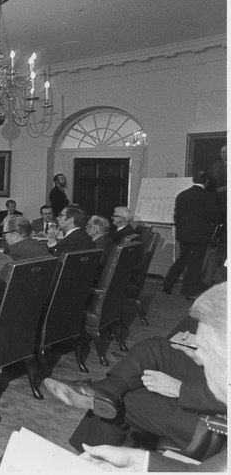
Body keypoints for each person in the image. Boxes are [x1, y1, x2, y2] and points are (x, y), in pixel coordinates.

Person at [42, 283, 227, 472]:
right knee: (157, 348)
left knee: (124, 402)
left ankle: (85, 466)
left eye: (207, 349)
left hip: (212, 420)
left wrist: (179, 389)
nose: (201, 356)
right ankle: (109, 387)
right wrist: (203, 350)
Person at [161, 171, 222, 299]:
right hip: (199, 236)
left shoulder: (182, 195)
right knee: (195, 264)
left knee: (182, 259)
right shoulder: (208, 196)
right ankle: (189, 292)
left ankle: (166, 284)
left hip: (183, 235)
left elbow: (177, 216)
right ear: (207, 182)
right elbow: (215, 216)